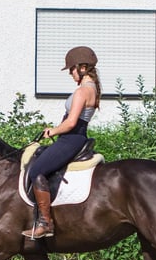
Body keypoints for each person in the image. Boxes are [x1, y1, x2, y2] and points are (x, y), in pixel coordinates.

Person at [22, 46, 101, 239]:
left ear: (82, 68)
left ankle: (45, 223)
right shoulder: (93, 89)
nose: (71, 74)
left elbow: (71, 122)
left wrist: (52, 131)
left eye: (72, 69)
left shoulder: (83, 91)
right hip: (75, 137)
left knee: (36, 171)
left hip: (71, 138)